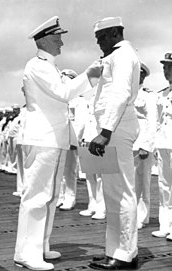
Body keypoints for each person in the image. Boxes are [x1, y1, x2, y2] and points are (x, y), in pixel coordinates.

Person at [14, 16, 103, 271]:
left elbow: (71, 92)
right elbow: (65, 93)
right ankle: (25, 254)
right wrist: (89, 74)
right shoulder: (38, 66)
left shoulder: (49, 67)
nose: (62, 43)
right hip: (43, 140)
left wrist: (89, 79)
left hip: (53, 140)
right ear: (46, 40)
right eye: (58, 38)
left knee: (49, 196)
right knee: (36, 196)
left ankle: (39, 247)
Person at [88, 17, 140, 270]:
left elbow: (120, 92)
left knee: (122, 192)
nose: (99, 43)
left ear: (114, 33)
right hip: (112, 128)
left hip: (116, 128)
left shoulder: (122, 55)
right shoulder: (117, 55)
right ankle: (116, 250)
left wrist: (106, 131)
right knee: (112, 192)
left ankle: (124, 255)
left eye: (101, 38)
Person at [152, 52, 172, 241]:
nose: (166, 71)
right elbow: (158, 122)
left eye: (170, 67)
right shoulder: (161, 94)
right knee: (164, 185)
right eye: (164, 67)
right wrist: (155, 144)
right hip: (163, 143)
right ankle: (165, 225)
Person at [57, 68, 89, 210]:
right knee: (60, 170)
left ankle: (70, 198)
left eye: (65, 78)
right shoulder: (62, 100)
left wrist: (73, 140)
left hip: (70, 140)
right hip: (60, 139)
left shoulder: (79, 101)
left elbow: (80, 122)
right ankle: (61, 196)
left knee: (69, 170)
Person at [133, 62, 157, 229]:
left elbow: (152, 121)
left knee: (142, 182)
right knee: (129, 183)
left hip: (141, 145)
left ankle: (142, 217)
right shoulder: (126, 93)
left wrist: (146, 146)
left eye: (139, 74)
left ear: (143, 76)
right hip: (127, 145)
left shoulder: (148, 95)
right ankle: (131, 214)